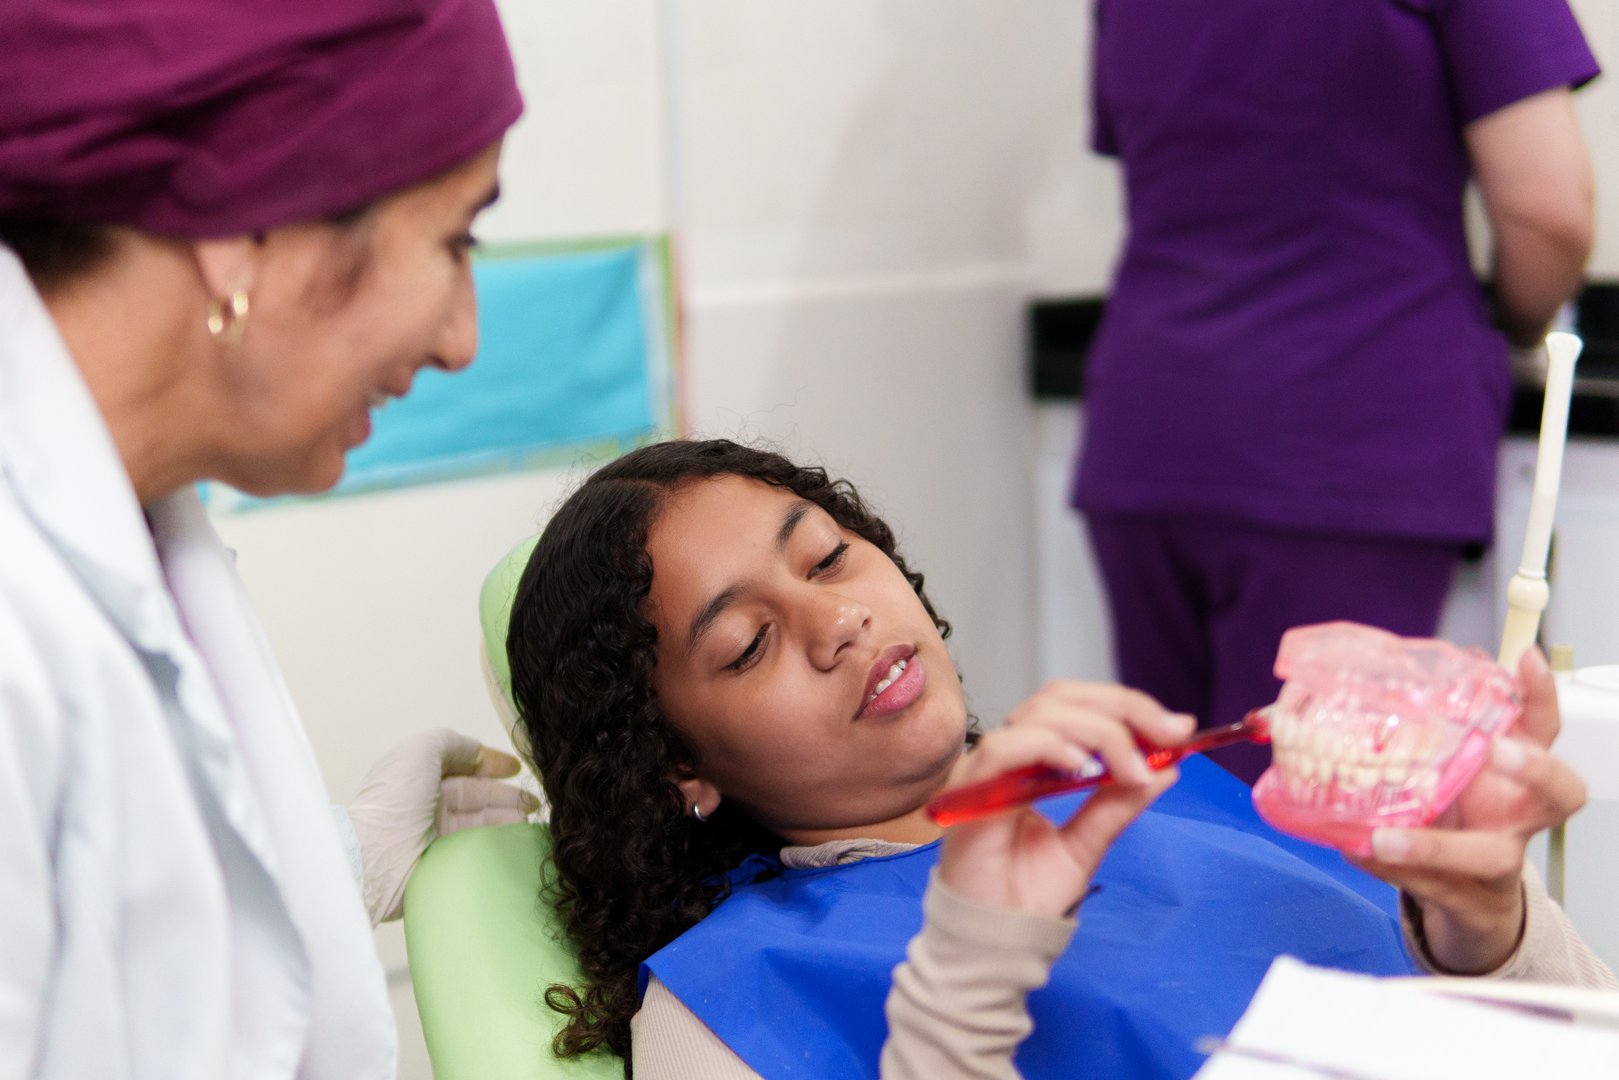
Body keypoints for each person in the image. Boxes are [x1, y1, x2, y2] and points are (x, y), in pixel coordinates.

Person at [505, 437, 1611, 1080]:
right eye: (747, 645)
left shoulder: (1180, 783)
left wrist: (1488, 928)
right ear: (675, 770)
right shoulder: (722, 1004)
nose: (833, 619)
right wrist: (969, 972)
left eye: (831, 558)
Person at [0, 1, 531, 1075]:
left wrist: (338, 859)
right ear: (242, 230)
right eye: (451, 240)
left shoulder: (146, 517)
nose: (461, 339)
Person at [1072, 0, 1601, 783]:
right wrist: (1515, 333)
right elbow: (1547, 212)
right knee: (1309, 833)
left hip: (1150, 426)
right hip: (1350, 428)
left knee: (1166, 820)